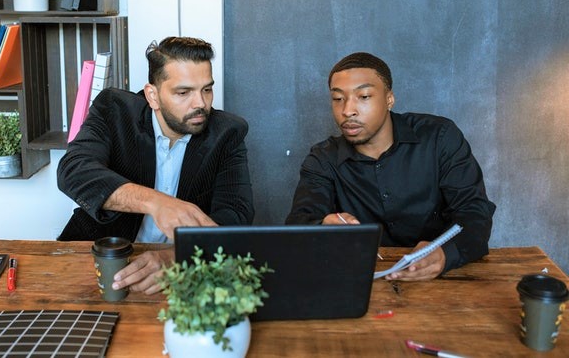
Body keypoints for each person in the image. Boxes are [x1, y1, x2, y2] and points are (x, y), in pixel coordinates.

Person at [57, 36, 254, 293]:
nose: (201, 104)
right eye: (183, 92)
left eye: (206, 89)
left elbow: (235, 216)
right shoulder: (114, 110)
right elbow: (74, 170)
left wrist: (176, 256)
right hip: (99, 260)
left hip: (181, 274)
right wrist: (156, 203)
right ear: (153, 95)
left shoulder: (228, 133)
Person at [286, 51, 495, 281]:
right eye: (338, 99)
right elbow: (299, 223)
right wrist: (322, 226)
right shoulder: (323, 159)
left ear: (389, 99)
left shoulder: (440, 138)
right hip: (361, 281)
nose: (347, 110)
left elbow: (475, 214)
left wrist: (446, 255)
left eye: (363, 96)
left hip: (444, 280)